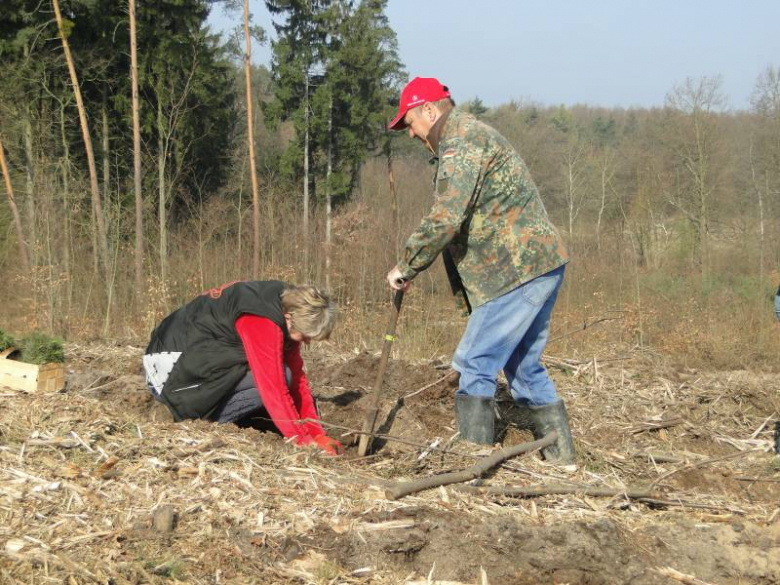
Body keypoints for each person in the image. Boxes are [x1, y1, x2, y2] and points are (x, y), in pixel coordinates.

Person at [385, 77, 574, 463]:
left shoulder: (461, 142)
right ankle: (563, 461)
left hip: (514, 272)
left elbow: (446, 216)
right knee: (523, 366)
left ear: (429, 110)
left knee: (476, 362)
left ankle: (473, 463)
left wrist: (407, 265)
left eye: (410, 123)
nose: (411, 133)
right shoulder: (466, 137)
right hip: (539, 265)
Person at [143, 280, 342, 455]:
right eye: (306, 336)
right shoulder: (261, 319)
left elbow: (298, 380)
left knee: (286, 375)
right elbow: (273, 388)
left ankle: (222, 411)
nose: (307, 342)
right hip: (169, 371)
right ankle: (201, 419)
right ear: (289, 318)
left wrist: (317, 434)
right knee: (277, 377)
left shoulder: (285, 307)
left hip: (189, 359)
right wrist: (304, 443)